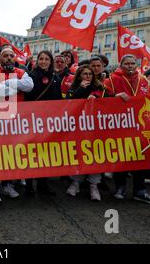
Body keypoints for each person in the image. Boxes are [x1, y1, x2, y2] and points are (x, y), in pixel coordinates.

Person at [104, 54, 150, 205]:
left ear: (136, 65)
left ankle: (139, 190)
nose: (130, 66)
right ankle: (120, 187)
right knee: (121, 157)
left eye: (132, 63)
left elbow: (149, 96)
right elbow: (102, 99)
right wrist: (115, 96)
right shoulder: (112, 80)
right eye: (127, 63)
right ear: (121, 65)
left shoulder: (143, 80)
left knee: (140, 158)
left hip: (140, 127)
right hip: (120, 126)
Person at [0, 45, 34, 204]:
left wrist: (9, 83)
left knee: (12, 153)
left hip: (16, 120)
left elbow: (29, 86)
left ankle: (7, 184)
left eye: (12, 56)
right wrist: (15, 85)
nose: (9, 58)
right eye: (5, 56)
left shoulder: (21, 72)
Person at [25, 51, 62, 197]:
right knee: (30, 153)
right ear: (37, 60)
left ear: (50, 61)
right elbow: (28, 99)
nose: (44, 61)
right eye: (41, 59)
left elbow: (58, 99)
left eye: (47, 59)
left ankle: (42, 184)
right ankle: (29, 185)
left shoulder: (56, 77)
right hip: (33, 119)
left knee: (45, 154)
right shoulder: (31, 77)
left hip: (49, 121)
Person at [66, 65, 105, 201]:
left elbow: (107, 99)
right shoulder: (74, 87)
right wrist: (80, 89)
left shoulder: (99, 87)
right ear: (79, 76)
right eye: (85, 74)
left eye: (90, 74)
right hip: (78, 126)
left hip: (95, 127)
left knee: (95, 155)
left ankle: (94, 185)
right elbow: (68, 102)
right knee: (78, 153)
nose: (88, 76)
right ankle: (75, 182)